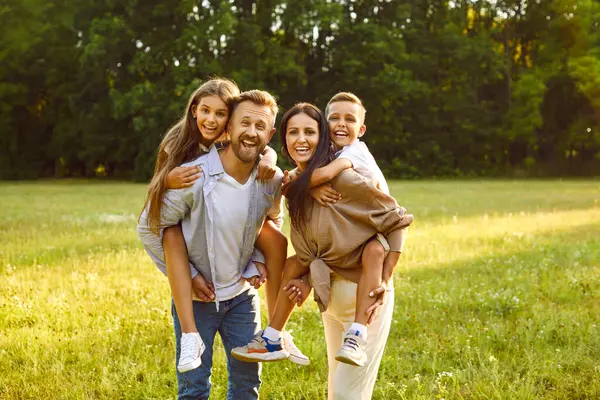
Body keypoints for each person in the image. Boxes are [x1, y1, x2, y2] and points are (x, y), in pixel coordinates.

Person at [231, 103, 413, 399]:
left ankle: (281, 336)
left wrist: (385, 278)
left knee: (346, 396)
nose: (301, 139)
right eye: (293, 132)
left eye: (309, 132)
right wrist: (306, 281)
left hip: (365, 305)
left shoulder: (344, 178)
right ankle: (274, 336)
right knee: (334, 392)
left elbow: (398, 219)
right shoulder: (295, 187)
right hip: (330, 302)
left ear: (323, 137)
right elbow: (326, 248)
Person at [137, 89, 283, 399]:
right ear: (229, 128)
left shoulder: (270, 179)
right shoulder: (193, 176)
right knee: (194, 389)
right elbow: (150, 228)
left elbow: (273, 221)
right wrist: (187, 277)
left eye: (260, 127)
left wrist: (257, 260)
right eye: (244, 123)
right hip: (196, 301)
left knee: (247, 388)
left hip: (242, 299)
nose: (251, 132)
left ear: (269, 135)